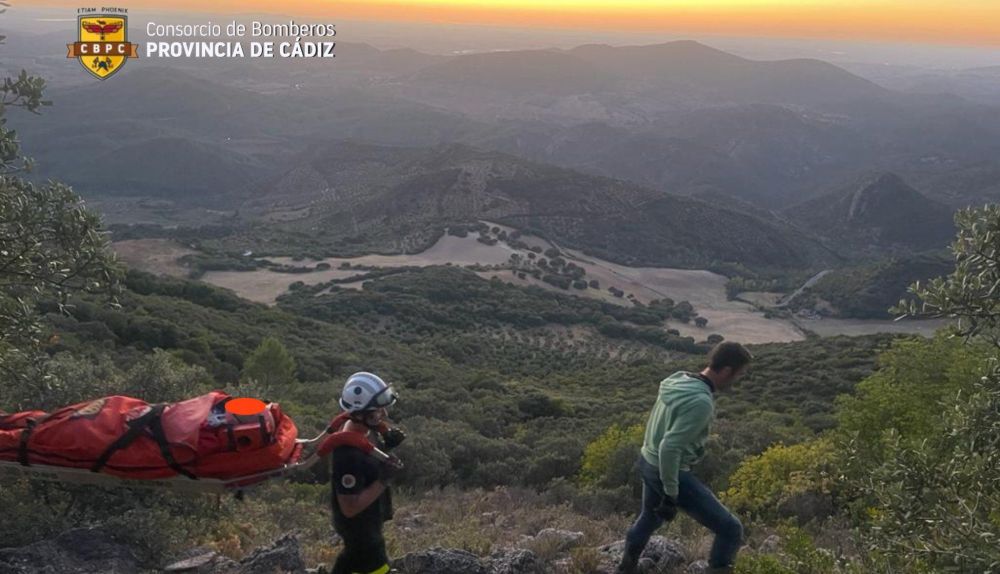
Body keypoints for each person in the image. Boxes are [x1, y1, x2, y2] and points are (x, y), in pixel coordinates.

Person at [617, 342, 752, 574]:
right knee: (731, 529)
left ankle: (625, 569)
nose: (737, 380)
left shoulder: (678, 379)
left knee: (650, 517)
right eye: (738, 374)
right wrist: (671, 493)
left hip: (647, 461)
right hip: (668, 470)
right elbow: (670, 447)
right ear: (727, 371)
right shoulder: (701, 402)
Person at [330, 372, 406, 574]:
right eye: (378, 410)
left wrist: (387, 447)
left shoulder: (366, 432)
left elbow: (369, 465)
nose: (384, 414)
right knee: (375, 566)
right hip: (359, 530)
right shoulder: (347, 454)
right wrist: (384, 479)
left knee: (350, 562)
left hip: (370, 525)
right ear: (360, 413)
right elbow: (349, 508)